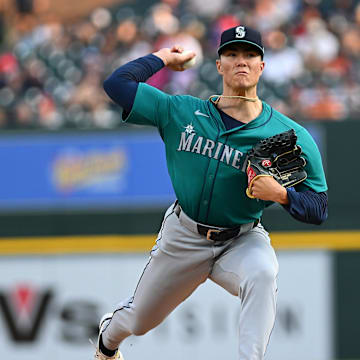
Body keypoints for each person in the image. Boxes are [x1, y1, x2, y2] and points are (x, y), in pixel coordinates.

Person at [93, 25, 328, 360]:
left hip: (241, 239)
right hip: (185, 236)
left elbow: (319, 208)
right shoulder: (182, 112)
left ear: (262, 66)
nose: (241, 61)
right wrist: (162, 58)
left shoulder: (291, 134)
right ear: (219, 65)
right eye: (232, 54)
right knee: (139, 320)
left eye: (250, 54)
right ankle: (107, 341)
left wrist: (283, 195)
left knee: (262, 273)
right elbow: (116, 85)